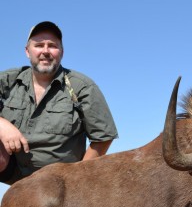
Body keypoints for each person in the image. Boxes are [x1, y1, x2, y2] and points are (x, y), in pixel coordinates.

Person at [0, 21, 118, 185]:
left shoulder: (81, 86)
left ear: (61, 52)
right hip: (15, 172)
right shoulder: (8, 80)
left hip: (59, 184)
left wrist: (77, 179)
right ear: (28, 51)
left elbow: (103, 137)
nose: (45, 51)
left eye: (52, 46)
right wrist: (2, 124)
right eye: (39, 45)